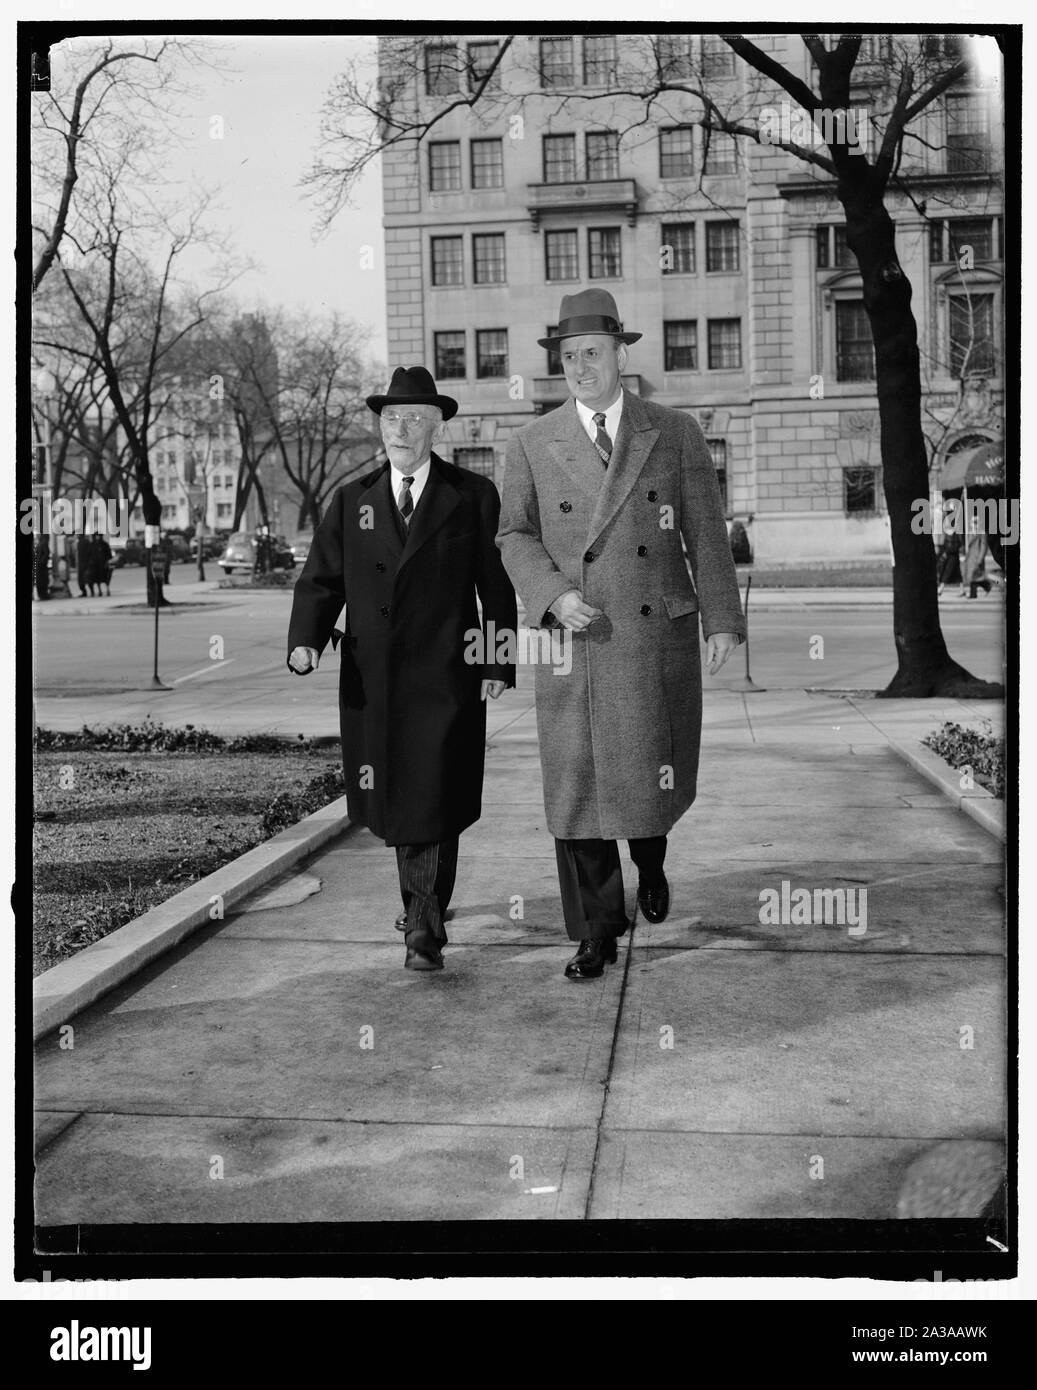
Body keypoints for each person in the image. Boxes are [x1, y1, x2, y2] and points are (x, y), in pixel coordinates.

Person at [496, 289, 746, 981]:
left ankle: (653, 862)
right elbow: (513, 534)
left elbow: (703, 530)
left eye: (592, 353)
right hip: (574, 637)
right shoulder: (529, 442)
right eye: (568, 356)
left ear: (618, 354)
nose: (580, 366)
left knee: (647, 780)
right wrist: (551, 594)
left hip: (650, 635)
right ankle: (596, 932)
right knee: (578, 791)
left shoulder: (672, 430)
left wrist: (722, 619)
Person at [286, 366, 518, 972]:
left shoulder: (472, 496)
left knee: (435, 794)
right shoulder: (352, 499)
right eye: (392, 417)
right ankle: (424, 909)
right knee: (397, 796)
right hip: (377, 681)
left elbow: (494, 586)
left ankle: (422, 923)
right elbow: (321, 579)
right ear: (379, 426)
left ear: (437, 427)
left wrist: (496, 658)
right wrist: (306, 641)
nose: (401, 428)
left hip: (448, 676)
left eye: (415, 418)